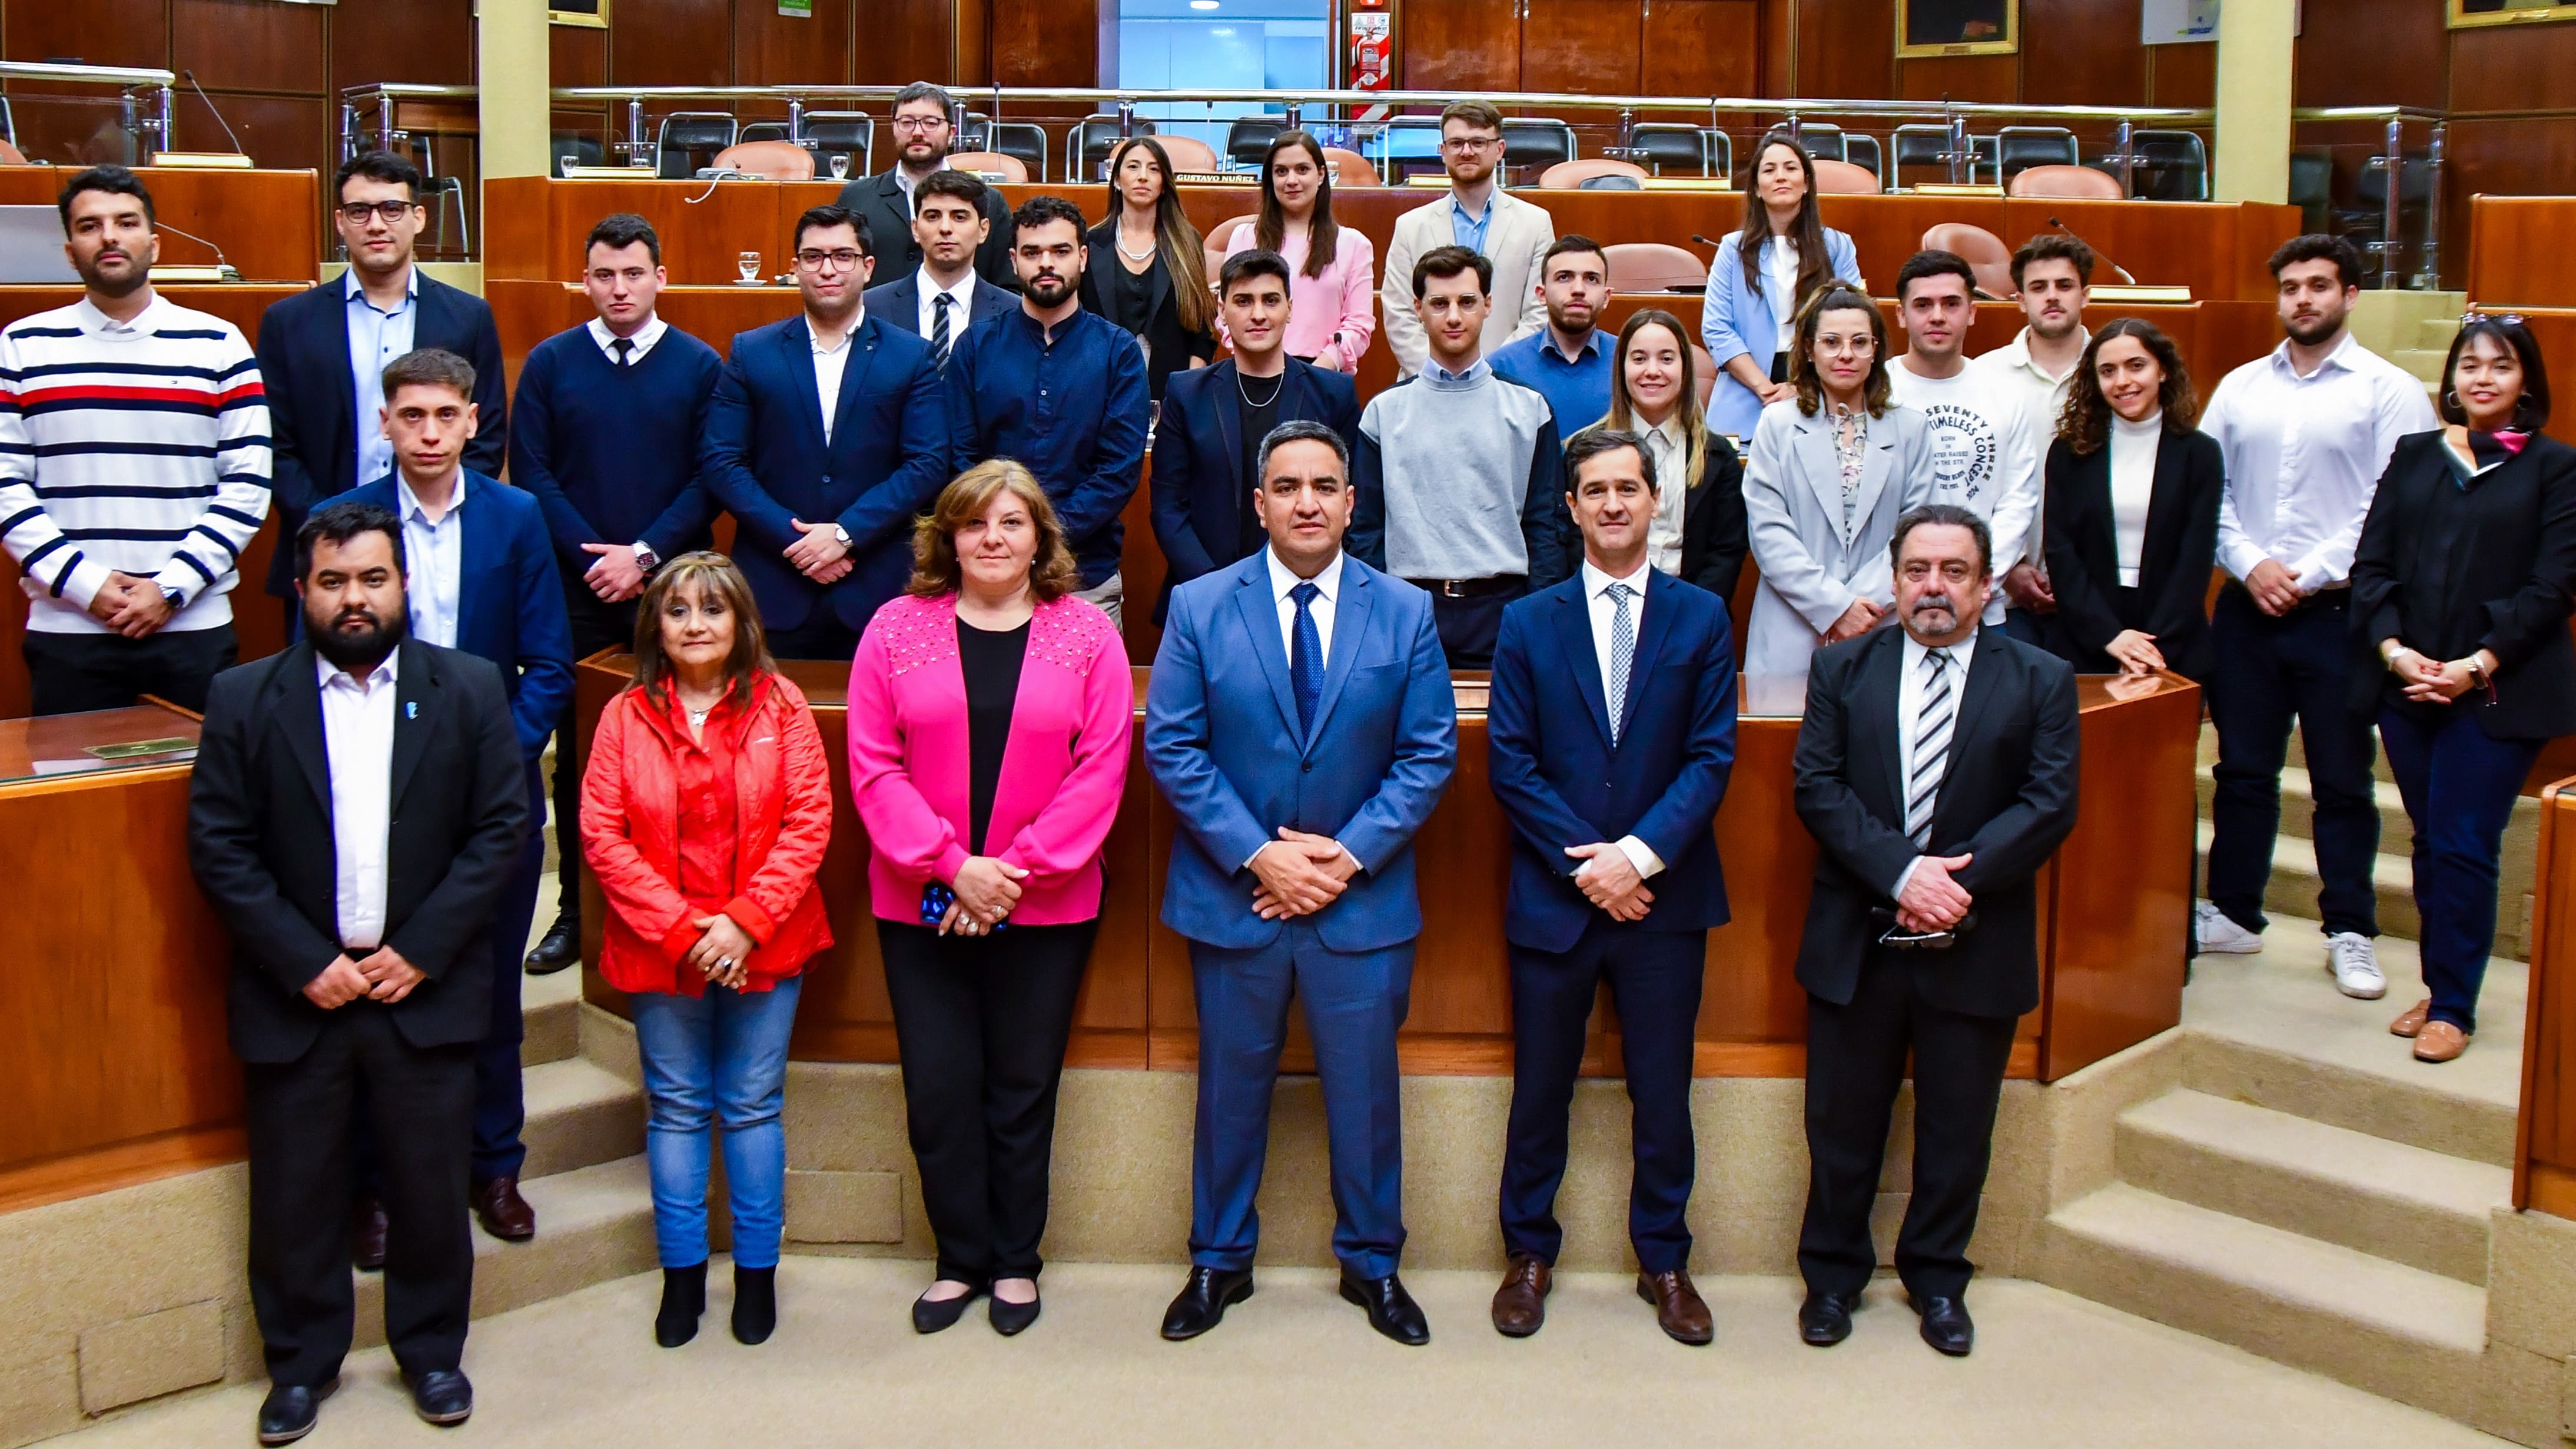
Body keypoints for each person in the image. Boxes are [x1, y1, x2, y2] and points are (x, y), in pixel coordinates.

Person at [189, 499, 529, 1444]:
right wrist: (305, 962)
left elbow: (502, 830)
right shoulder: (244, 698)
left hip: (421, 986)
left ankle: (431, 1354)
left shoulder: (465, 688)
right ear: (301, 590)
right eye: (333, 581)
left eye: (372, 579)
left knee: (428, 1187)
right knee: (296, 1194)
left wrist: (418, 951)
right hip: (298, 994)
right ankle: (300, 1366)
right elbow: (219, 846)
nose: (354, 598)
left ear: (403, 585)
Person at [1148, 420, 1456, 1348]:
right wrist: (1261, 855)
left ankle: (1373, 1264)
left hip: (1358, 901)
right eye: (1288, 487)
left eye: (1326, 486)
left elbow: (1428, 753)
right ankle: (1218, 1260)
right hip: (1236, 896)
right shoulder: (1201, 606)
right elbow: (1174, 743)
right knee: (1229, 1091)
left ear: (1353, 503)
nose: (1309, 502)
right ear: (1260, 503)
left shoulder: (1403, 611)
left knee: (1365, 1093)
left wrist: (1341, 858)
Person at [848, 460, 1133, 1337]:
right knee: (939, 1089)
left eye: (1012, 523)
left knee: (1020, 1086)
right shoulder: (895, 629)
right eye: (975, 525)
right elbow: (873, 762)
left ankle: (1015, 1260)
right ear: (949, 538)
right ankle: (959, 1258)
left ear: (1040, 537)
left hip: (1044, 904)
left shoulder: (1087, 635)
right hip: (920, 900)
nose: (994, 539)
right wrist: (949, 865)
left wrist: (1008, 872)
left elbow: (1103, 767)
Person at [1790, 503, 2079, 1360]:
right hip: (1861, 938)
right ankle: (1833, 1278)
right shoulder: (1842, 669)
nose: (1933, 588)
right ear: (1894, 577)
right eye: (1918, 570)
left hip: (1976, 938)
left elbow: (2049, 801)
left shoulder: (2039, 677)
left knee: (1958, 1128)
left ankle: (1938, 1278)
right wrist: (1903, 874)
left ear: (1986, 586)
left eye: (1954, 572)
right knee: (1843, 1125)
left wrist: (1954, 883)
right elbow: (1819, 789)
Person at [1485, 429, 1738, 1345]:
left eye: (1629, 487)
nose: (1613, 504)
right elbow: (1510, 764)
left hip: (1663, 902)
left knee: (1663, 1094)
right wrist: (1591, 865)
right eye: (1594, 490)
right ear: (1572, 507)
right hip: (1558, 898)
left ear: (1655, 499)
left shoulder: (1702, 616)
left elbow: (1711, 759)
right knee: (1540, 1089)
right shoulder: (1529, 619)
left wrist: (1636, 858)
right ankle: (1527, 1255)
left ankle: (1665, 1259)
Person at [345, 348, 575, 1251]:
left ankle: (495, 1166)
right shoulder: (346, 519)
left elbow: (549, 664)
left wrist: (490, 762)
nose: (430, 433)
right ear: (386, 422)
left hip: (494, 799)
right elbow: (315, 662)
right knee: (381, 992)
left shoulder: (516, 516)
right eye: (412, 416)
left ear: (474, 421)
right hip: (378, 798)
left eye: (447, 415)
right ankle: (376, 1187)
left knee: (485, 995)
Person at [582, 552, 834, 1348]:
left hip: (768, 935)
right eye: (679, 611)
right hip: (663, 948)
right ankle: (682, 1277)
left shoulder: (783, 704)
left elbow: (808, 823)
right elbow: (602, 834)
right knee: (681, 1107)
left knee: (753, 1104)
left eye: (713, 610)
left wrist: (744, 923)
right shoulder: (625, 713)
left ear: (741, 622)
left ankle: (757, 1277)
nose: (696, 626)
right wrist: (690, 933)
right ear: (655, 624)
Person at [2197, 235, 2438, 989]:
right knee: (2240, 771)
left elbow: (2394, 502)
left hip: (2340, 612)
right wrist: (2250, 564)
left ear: (2350, 295)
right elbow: (2207, 491)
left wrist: (2309, 572)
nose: (2302, 299)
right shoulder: (2240, 387)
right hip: (2246, 606)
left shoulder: (2388, 389)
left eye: (2318, 286)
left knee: (2340, 778)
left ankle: (2349, 928)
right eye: (2291, 287)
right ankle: (2233, 913)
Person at [2352, 316, 2576, 1065]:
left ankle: (2454, 1005)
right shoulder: (2416, 456)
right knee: (2429, 839)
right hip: (2408, 683)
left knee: (2461, 841)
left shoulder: (2553, 468)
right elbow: (2372, 563)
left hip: (2493, 692)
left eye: (2500, 366)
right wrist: (2393, 652)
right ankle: (2441, 981)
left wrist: (2473, 664)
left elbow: (2551, 588)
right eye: (2469, 364)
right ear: (2450, 378)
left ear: (2525, 383)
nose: (2481, 378)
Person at [509, 212, 723, 975]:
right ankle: (576, 911)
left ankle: (678, 909)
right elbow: (532, 471)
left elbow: (711, 475)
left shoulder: (700, 366)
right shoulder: (551, 364)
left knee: (683, 758)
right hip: (574, 593)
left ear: (661, 277)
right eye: (605, 274)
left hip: (675, 595)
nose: (620, 288)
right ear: (586, 280)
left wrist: (642, 556)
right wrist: (597, 557)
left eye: (634, 273)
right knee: (581, 763)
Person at [0, 165, 269, 715]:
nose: (110, 237)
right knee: (74, 796)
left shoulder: (218, 343)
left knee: (204, 795)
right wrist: (85, 584)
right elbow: (6, 484)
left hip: (191, 623)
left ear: (154, 241)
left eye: (126, 222)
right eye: (90, 226)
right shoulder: (22, 346)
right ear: (71, 251)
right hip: (69, 627)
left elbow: (248, 483)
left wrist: (170, 588)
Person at [257, 151, 506, 613]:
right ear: (340, 222)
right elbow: (275, 446)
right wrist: (334, 527)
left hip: (438, 544)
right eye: (360, 211)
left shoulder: (468, 318)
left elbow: (485, 436)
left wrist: (432, 516)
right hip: (322, 552)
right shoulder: (288, 323)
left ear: (418, 218)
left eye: (391, 209)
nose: (376, 224)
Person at [701, 204, 948, 661]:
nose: (828, 269)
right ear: (795, 268)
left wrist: (844, 534)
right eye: (813, 257)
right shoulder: (752, 351)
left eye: (842, 256)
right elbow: (722, 461)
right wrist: (796, 541)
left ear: (868, 267)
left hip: (877, 585)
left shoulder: (910, 355)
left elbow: (928, 462)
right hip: (774, 584)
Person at [1350, 245, 1568, 668]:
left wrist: (1537, 615)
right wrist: (1379, 612)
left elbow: (1546, 525)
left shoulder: (1529, 408)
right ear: (1418, 308)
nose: (1453, 316)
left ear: (1488, 305)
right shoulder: (1383, 412)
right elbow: (1366, 530)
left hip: (1503, 610)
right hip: (1408, 609)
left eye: (1467, 302)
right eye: (1439, 303)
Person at [945, 194, 1151, 630]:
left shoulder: (1119, 352)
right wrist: (1007, 533)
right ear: (1014, 261)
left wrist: (1038, 533)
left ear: (1081, 257)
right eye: (1033, 252)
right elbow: (961, 459)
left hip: (1084, 575)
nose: (1046, 264)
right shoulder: (974, 348)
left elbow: (1118, 470)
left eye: (1060, 251)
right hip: (989, 570)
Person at [1150, 248, 1362, 622]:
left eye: (1271, 300)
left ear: (1290, 309)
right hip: (1205, 597)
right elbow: (1168, 508)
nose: (1258, 314)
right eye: (1244, 301)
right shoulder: (1186, 392)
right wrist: (1217, 587)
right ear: (1222, 311)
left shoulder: (1332, 393)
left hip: (1307, 595)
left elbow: (1348, 504)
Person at [1741, 285, 1936, 677]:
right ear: (1810, 350)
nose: (1846, 353)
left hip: (1880, 618)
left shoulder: (1911, 428)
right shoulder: (1777, 425)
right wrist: (1834, 606)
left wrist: (1860, 608)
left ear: (1876, 351)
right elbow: (1769, 532)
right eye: (1831, 342)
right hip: (1792, 624)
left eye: (1859, 342)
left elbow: (1916, 532)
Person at [2040, 319, 2223, 681]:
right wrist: (2110, 636)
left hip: (2172, 637)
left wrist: (2149, 649)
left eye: (2136, 366)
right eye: (2108, 371)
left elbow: (2195, 557)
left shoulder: (2200, 453)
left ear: (2164, 371)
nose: (2122, 381)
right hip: (2086, 633)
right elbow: (2061, 551)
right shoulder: (2068, 452)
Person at [1887, 250, 2038, 631]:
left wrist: (1974, 580)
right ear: (1902, 315)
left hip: (1982, 609)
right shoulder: (1876, 393)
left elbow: (2018, 501)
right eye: (1923, 304)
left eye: (1951, 304)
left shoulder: (2005, 394)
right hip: (1891, 608)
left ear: (1972, 312)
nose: (1937, 316)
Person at [1700, 128, 1864, 440]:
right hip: (1749, 388)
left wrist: (1802, 388)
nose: (1781, 177)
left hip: (1822, 384)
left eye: (1790, 168)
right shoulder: (1733, 249)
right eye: (1769, 170)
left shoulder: (1838, 246)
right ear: (1757, 189)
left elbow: (1854, 319)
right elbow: (1717, 329)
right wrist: (1767, 389)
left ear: (1806, 184)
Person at [1575, 307, 1749, 601]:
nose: (1652, 371)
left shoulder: (1718, 457)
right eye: (1639, 359)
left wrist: (1693, 615)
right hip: (1600, 605)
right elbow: (1568, 543)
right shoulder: (1585, 452)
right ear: (1622, 368)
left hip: (1690, 613)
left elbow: (1726, 552)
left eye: (1666, 359)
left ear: (1684, 368)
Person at [1974, 233, 2096, 646]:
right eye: (2038, 288)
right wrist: (2010, 570)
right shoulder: (1984, 377)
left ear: (2087, 295)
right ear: (2020, 300)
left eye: (2065, 285)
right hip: (2004, 596)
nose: (2052, 297)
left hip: (2099, 596)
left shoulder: (2116, 374)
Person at [1381, 100, 1553, 380]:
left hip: (1507, 383)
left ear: (1499, 150)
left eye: (1478, 143)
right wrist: (1438, 374)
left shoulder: (1535, 223)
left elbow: (1538, 313)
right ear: (1443, 151)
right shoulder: (1411, 227)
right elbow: (1400, 314)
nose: (1466, 152)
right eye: (1456, 143)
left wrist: (1492, 375)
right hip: (1425, 385)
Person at [1214, 130, 1375, 374]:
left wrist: (1318, 371)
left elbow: (1359, 325)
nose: (1291, 180)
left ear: (1321, 175)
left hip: (1323, 375)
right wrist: (1257, 360)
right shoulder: (1245, 237)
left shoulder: (1353, 244)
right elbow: (1227, 312)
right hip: (1254, 372)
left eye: (1302, 169)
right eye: (1281, 171)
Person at [832, 80, 1015, 287]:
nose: (918, 132)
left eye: (930, 123)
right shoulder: (856, 197)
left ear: (952, 133)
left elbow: (1007, 286)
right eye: (907, 122)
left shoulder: (990, 201)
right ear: (894, 128)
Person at [1077, 135, 1216, 400]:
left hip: (1170, 394)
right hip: (1097, 390)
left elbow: (1201, 331)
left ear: (1164, 183)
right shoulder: (1091, 242)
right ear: (1116, 180)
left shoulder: (1186, 241)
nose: (1143, 177)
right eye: (1133, 167)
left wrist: (1186, 393)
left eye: (1153, 169)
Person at [860, 168, 1017, 366]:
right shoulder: (870, 308)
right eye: (933, 216)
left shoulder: (1013, 313)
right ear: (915, 229)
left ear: (983, 230)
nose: (945, 228)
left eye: (959, 217)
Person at [1489, 235, 1615, 437]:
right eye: (1564, 277)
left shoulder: (1628, 361)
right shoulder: (1502, 366)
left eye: (1591, 279)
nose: (1578, 290)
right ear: (1541, 294)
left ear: (1606, 297)